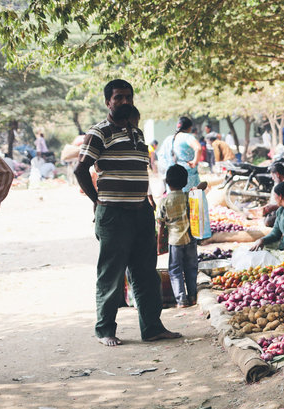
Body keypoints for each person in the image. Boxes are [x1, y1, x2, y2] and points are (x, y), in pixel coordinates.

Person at [74, 78, 181, 346]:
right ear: (108, 102)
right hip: (113, 214)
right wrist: (97, 201)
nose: (124, 102)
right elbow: (80, 169)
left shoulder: (137, 133)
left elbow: (137, 170)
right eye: (118, 97)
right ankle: (105, 330)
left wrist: (146, 199)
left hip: (141, 212)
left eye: (128, 97)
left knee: (146, 272)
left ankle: (152, 328)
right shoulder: (98, 132)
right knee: (111, 274)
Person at [157, 165, 198, 308]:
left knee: (175, 270)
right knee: (191, 268)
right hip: (190, 238)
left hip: (174, 241)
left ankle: (181, 300)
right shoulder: (189, 196)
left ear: (167, 182)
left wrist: (159, 243)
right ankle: (193, 296)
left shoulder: (164, 201)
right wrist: (196, 189)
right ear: (186, 182)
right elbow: (203, 187)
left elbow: (161, 224)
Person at [158, 117, 201, 192]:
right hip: (188, 178)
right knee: (191, 201)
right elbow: (198, 148)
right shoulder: (187, 137)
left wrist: (169, 168)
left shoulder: (168, 139)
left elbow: (161, 156)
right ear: (190, 128)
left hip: (172, 178)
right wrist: (195, 161)